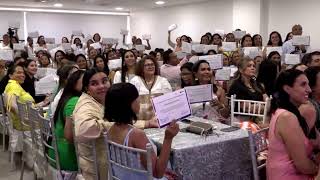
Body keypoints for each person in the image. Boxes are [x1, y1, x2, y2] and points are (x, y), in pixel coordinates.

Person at [73, 68, 150, 180]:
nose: (101, 86)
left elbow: (120, 118)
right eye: (94, 84)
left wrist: (145, 123)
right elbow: (83, 130)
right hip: (100, 170)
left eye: (104, 81)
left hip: (110, 162)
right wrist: (117, 126)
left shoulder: (101, 100)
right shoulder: (86, 105)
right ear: (86, 89)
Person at [104, 83, 179, 179]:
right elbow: (158, 173)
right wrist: (168, 138)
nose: (139, 100)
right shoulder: (136, 135)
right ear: (128, 104)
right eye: (136, 97)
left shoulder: (111, 129)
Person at [267, 69, 319, 179]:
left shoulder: (291, 113)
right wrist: (317, 169)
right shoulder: (287, 117)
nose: (309, 90)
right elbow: (302, 165)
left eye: (309, 85)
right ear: (287, 89)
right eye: (303, 85)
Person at [48, 70, 84, 172]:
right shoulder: (75, 101)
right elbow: (69, 136)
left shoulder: (67, 97)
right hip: (68, 157)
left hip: (56, 152)